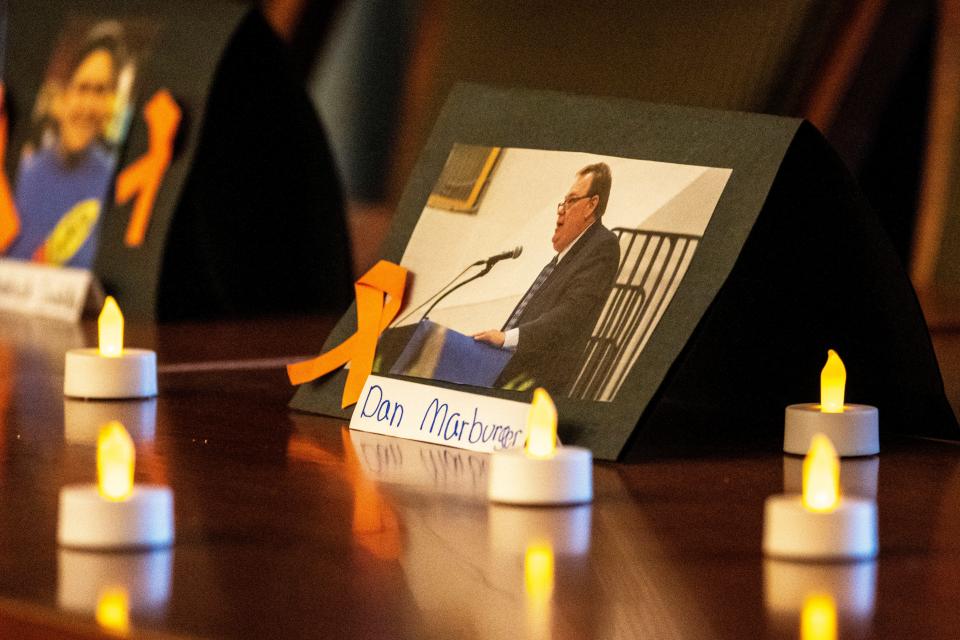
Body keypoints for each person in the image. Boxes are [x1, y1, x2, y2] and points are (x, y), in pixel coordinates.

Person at [473, 162, 620, 395]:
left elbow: (569, 316)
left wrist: (505, 338)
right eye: (563, 202)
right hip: (508, 371)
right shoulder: (564, 257)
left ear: (591, 205)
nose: (560, 210)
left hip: (536, 383)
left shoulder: (603, 245)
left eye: (571, 201)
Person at [9, 26, 124, 267]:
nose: (89, 105)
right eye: (82, 88)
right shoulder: (23, 176)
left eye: (101, 91)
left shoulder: (117, 183)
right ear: (61, 97)